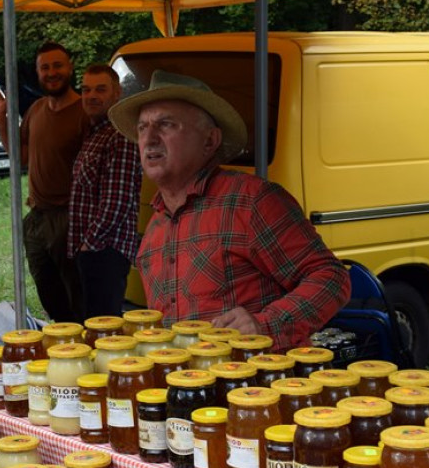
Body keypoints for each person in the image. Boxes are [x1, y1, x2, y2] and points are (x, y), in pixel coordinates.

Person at [108, 70, 351, 351]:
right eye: (142, 128)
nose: (149, 139)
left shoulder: (251, 201)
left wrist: (264, 325)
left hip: (260, 375)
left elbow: (332, 278)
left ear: (210, 140)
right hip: (190, 377)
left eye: (166, 125)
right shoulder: (155, 227)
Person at [0, 42, 89, 322]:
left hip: (70, 218)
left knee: (78, 297)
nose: (52, 72)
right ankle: (63, 339)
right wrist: (0, 118)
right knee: (50, 296)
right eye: (45, 67)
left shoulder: (84, 112)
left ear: (70, 68)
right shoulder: (37, 109)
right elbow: (20, 156)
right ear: (38, 72)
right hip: (38, 219)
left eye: (57, 65)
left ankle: (83, 343)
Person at [67, 64, 142, 319]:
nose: (91, 96)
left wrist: (89, 245)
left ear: (117, 93)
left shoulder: (120, 135)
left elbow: (117, 202)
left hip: (106, 251)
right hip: (92, 250)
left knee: (103, 328)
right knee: (91, 323)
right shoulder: (95, 132)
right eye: (86, 90)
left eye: (100, 89)